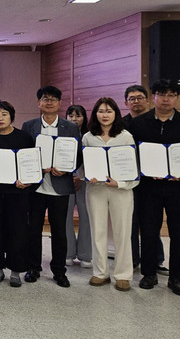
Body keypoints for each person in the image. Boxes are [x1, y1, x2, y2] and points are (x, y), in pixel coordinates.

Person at [128, 79, 180, 296]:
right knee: (149, 232)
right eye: (162, 94)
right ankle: (149, 274)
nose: (166, 99)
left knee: (179, 234)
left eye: (171, 95)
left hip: (179, 189)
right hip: (148, 188)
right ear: (153, 97)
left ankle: (176, 278)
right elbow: (129, 154)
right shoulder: (138, 124)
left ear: (177, 98)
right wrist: (143, 169)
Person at [21, 85, 81, 288]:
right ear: (38, 103)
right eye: (45, 99)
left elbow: (78, 155)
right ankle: (33, 267)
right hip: (35, 187)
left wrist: (67, 169)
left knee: (60, 231)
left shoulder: (70, 127)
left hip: (60, 186)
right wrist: (36, 167)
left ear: (60, 103)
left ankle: (59, 271)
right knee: (33, 229)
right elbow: (24, 153)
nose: (49, 102)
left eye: (53, 99)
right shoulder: (29, 125)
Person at [82, 97, 138, 291]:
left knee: (122, 232)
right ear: (95, 114)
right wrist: (87, 176)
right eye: (101, 111)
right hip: (95, 189)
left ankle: (123, 275)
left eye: (109, 111)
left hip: (120, 190)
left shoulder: (126, 136)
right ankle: (100, 273)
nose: (104, 115)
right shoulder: (88, 137)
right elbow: (82, 165)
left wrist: (120, 183)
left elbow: (133, 168)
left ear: (116, 114)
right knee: (97, 231)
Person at [0, 100, 36, 287]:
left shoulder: (24, 137)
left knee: (18, 231)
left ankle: (16, 270)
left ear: (11, 117)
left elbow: (32, 163)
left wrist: (27, 181)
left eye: (4, 114)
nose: (0, 118)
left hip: (18, 193)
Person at [122, 84, 167, 273]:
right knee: (130, 221)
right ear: (126, 103)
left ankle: (156, 260)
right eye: (132, 98)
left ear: (147, 100)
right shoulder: (120, 124)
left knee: (151, 221)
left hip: (151, 180)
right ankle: (132, 259)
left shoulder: (156, 121)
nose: (136, 101)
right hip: (128, 179)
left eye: (140, 97)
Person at [65, 104, 91, 268]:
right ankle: (68, 253)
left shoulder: (89, 136)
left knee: (86, 218)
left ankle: (85, 255)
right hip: (65, 181)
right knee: (65, 218)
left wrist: (80, 177)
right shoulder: (63, 135)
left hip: (86, 182)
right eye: (71, 116)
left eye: (78, 116)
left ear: (84, 118)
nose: (74, 119)